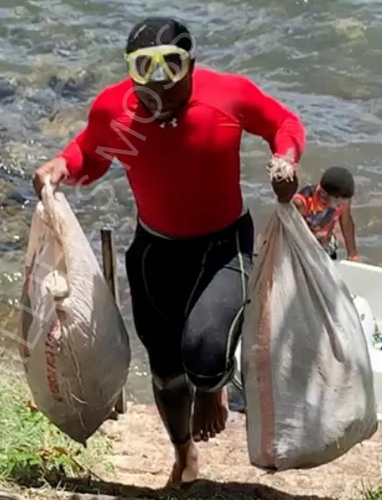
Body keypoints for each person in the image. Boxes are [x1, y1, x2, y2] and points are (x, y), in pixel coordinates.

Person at [33, 17, 306, 486]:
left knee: (203, 353)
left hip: (223, 246)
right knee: (164, 372)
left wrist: (286, 158)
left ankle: (213, 384)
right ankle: (184, 452)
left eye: (172, 71)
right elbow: (93, 157)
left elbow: (282, 122)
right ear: (131, 73)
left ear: (192, 66)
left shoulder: (229, 96)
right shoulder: (119, 111)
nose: (159, 87)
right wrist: (63, 165)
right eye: (145, 73)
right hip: (155, 252)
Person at [293, 166, 359, 261]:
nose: (341, 206)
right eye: (338, 203)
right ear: (323, 194)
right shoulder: (302, 203)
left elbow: (346, 223)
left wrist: (352, 254)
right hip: (303, 246)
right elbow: (295, 233)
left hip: (326, 243)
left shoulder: (343, 199)